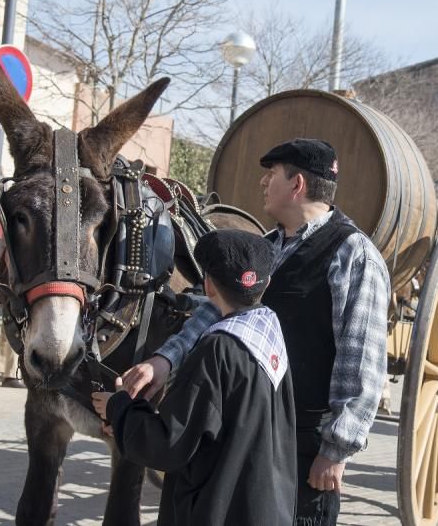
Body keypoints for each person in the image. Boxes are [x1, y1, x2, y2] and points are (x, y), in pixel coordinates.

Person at [120, 138, 390, 526]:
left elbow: (361, 362)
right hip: (246, 432)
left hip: (303, 444)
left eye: (272, 175)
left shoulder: (353, 255)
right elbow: (214, 311)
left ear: (296, 185)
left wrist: (336, 450)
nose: (263, 183)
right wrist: (165, 360)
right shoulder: (267, 246)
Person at [94, 229, 297, 526]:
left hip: (215, 510)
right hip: (263, 508)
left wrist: (120, 408)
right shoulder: (270, 334)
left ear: (208, 286)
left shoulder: (217, 349)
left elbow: (169, 443)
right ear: (264, 285)